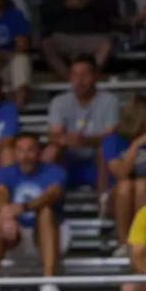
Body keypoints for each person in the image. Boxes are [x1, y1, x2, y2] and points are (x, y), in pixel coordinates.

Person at [0, 132, 67, 291]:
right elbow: (0, 193)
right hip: (16, 234)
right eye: (21, 151)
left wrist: (23, 207)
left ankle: (48, 283)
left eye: (30, 150)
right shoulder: (4, 173)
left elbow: (51, 194)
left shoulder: (55, 172)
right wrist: (7, 215)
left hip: (50, 234)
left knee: (45, 211)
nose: (25, 156)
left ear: (39, 152)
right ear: (14, 153)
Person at [44, 56, 119, 198]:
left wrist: (85, 140)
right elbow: (54, 134)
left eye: (85, 74)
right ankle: (53, 207)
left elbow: (111, 135)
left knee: (105, 149)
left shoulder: (110, 101)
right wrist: (66, 140)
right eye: (75, 75)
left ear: (95, 76)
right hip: (69, 158)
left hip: (97, 161)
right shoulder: (59, 101)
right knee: (51, 150)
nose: (80, 80)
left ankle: (103, 202)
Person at [104, 95, 146, 250]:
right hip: (117, 192)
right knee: (125, 186)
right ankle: (124, 244)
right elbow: (121, 173)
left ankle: (141, 243)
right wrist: (135, 146)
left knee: (142, 186)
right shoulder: (113, 139)